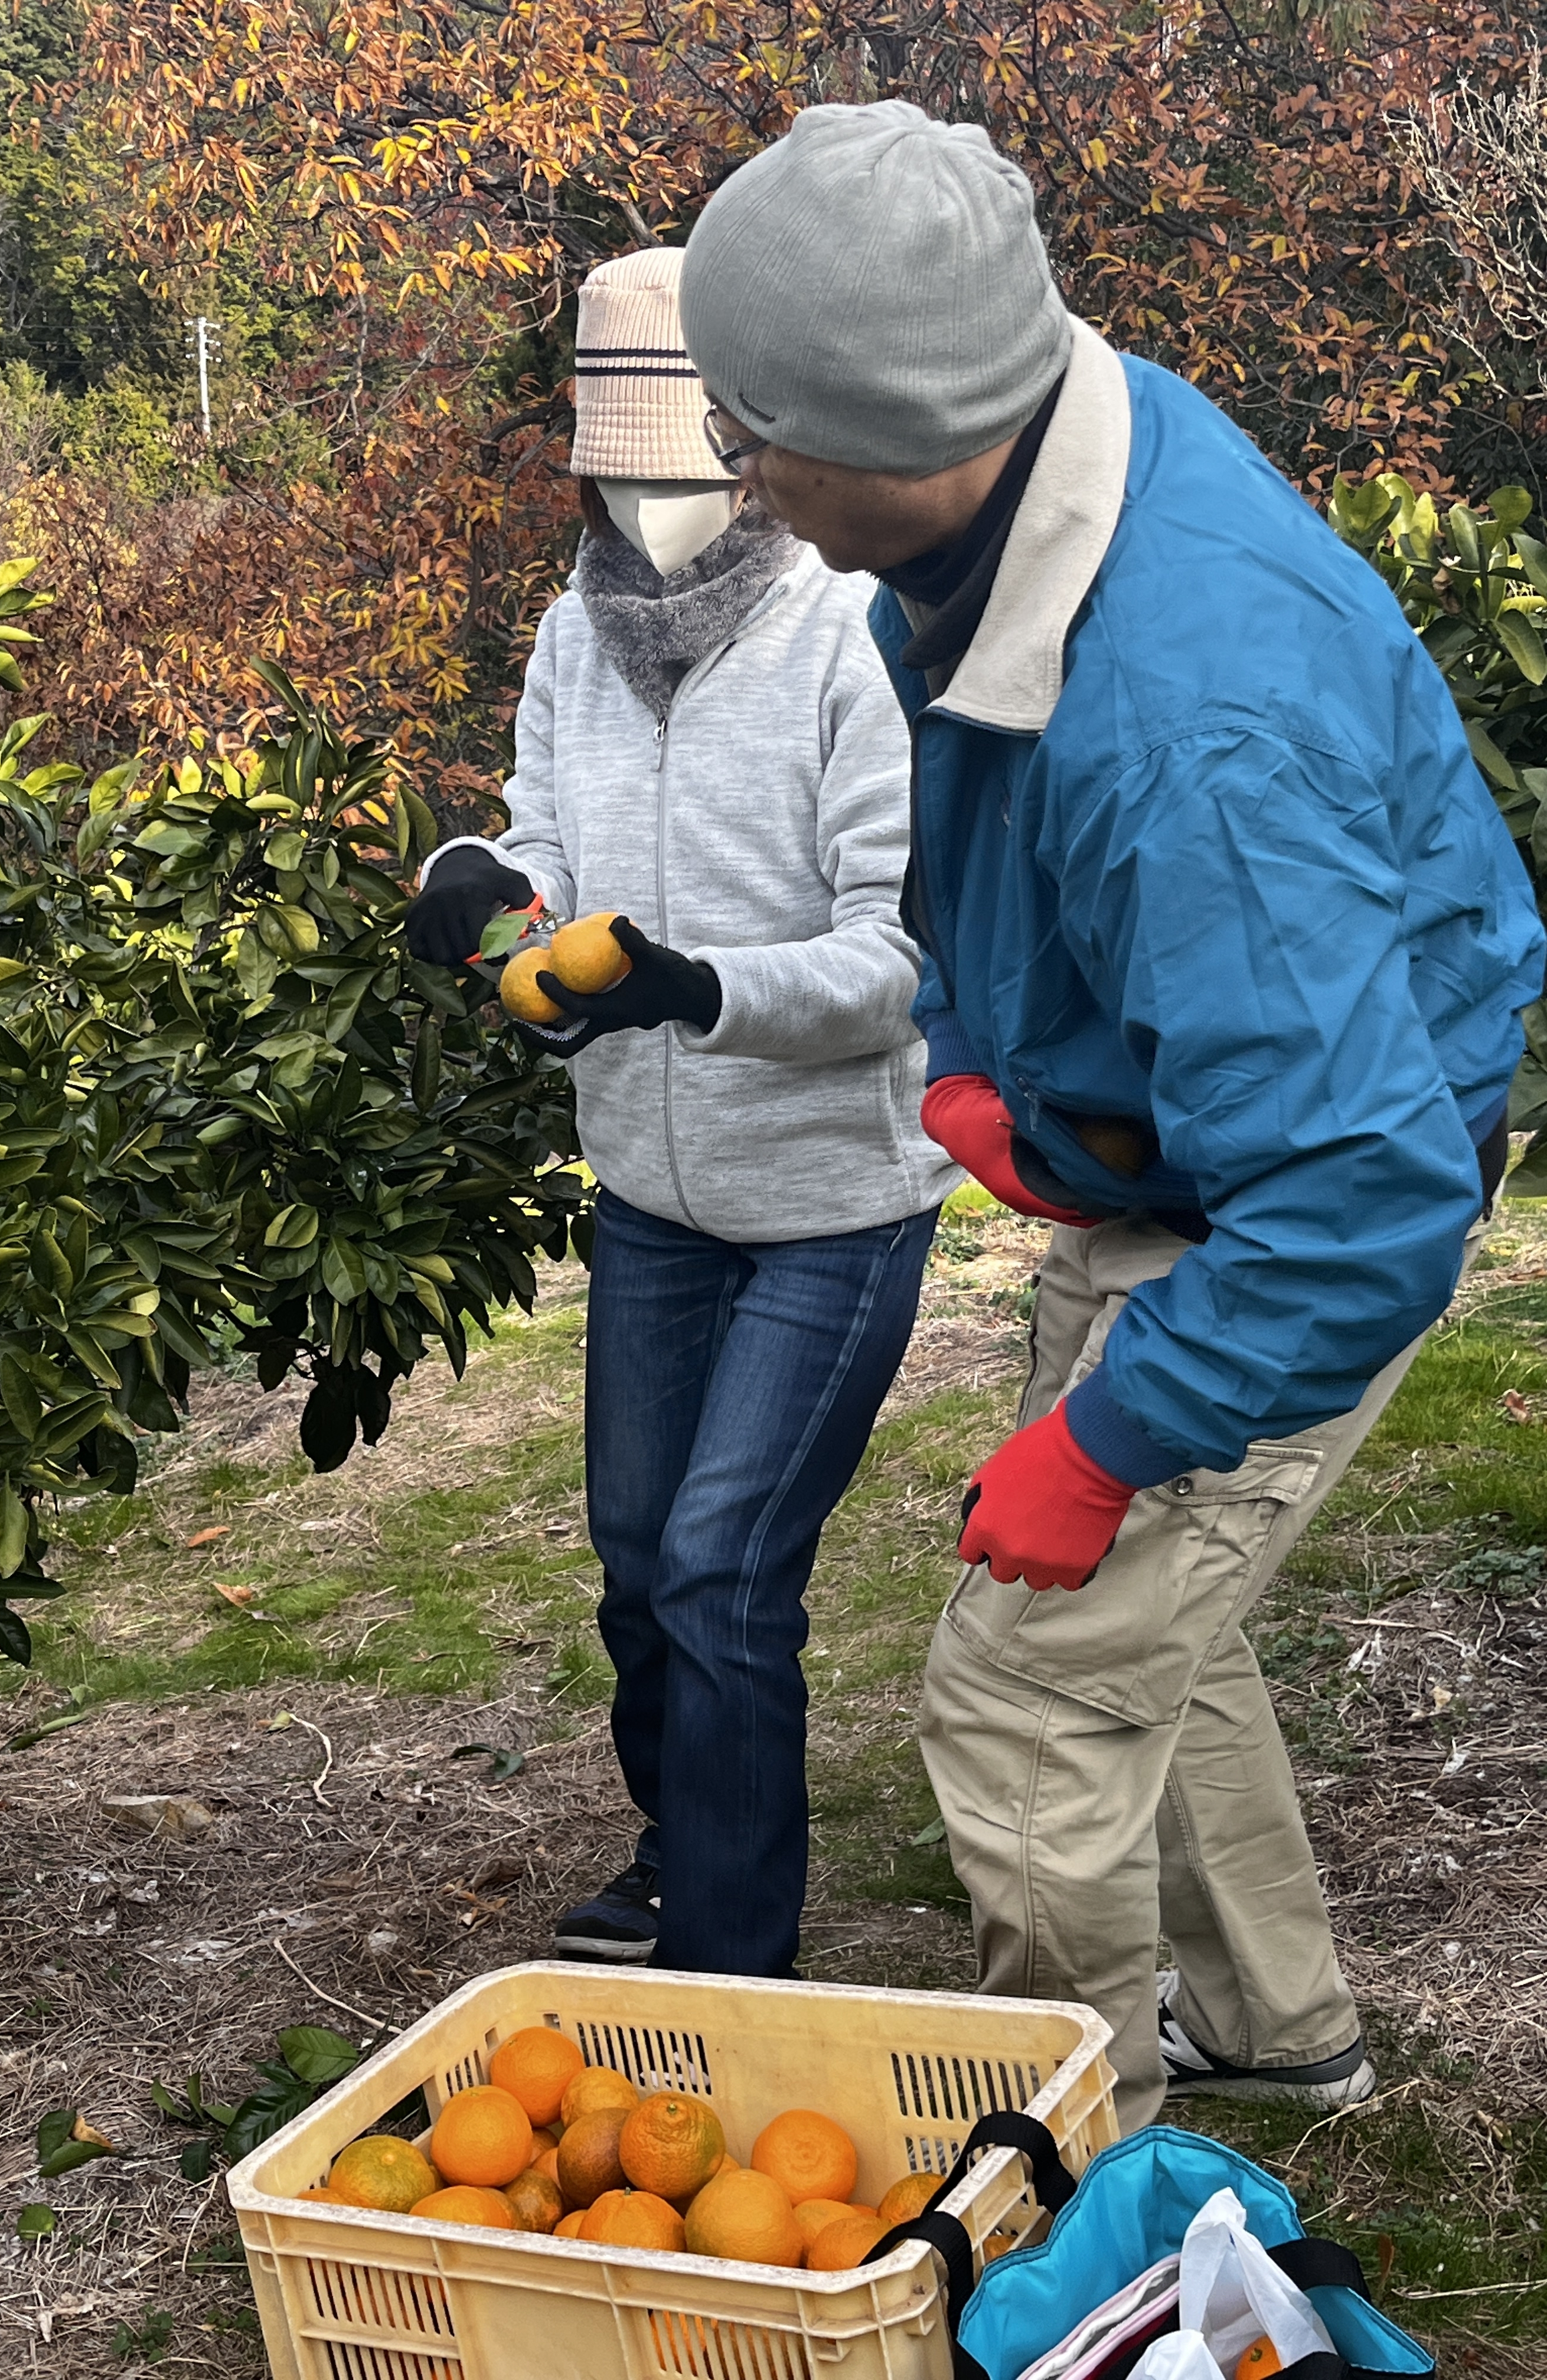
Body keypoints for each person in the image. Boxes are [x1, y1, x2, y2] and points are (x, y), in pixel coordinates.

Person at [677, 104, 1544, 2124]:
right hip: (1199, 1146)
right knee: (1157, 1635)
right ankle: (1274, 2035)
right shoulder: (1057, 433)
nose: (740, 478)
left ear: (885, 430)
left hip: (1300, 1203)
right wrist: (992, 1051)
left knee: (1025, 1685)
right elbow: (992, 792)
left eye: (751, 435)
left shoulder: (1192, 732)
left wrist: (1109, 1441)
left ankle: (1088, 2190)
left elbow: (1361, 1197)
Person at [404, 247, 958, 1979]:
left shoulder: (848, 640)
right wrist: (482, 885)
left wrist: (688, 986)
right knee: (643, 1568)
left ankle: (731, 1967)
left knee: (722, 1571)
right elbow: (543, 837)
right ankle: (681, 1846)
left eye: (681, 467)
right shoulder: (578, 628)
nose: (646, 507)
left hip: (834, 1201)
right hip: (647, 1186)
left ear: (748, 453)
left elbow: (897, 957)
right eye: (614, 472)